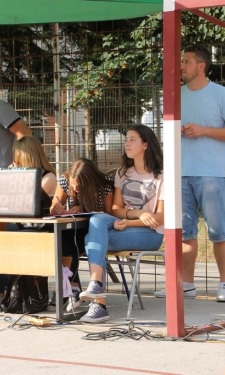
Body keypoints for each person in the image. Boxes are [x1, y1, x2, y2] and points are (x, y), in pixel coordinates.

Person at [155, 45, 225, 302]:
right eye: (181, 61)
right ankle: (186, 284)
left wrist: (204, 130)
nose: (181, 66)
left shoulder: (220, 94)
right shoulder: (175, 96)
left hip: (213, 174)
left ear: (201, 66)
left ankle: (224, 283)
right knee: (185, 232)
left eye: (186, 61)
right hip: (180, 174)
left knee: (219, 233)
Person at [79, 125, 164, 323]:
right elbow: (115, 209)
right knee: (98, 218)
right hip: (128, 223)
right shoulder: (123, 173)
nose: (127, 143)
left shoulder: (161, 176)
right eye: (127, 139)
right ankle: (96, 290)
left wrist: (135, 222)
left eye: (133, 139)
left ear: (145, 145)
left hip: (150, 234)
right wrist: (137, 214)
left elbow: (161, 218)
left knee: (90, 241)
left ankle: (98, 303)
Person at [0, 135, 57, 309]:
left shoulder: (49, 177)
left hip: (41, 230)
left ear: (27, 155)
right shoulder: (21, 174)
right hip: (21, 226)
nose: (14, 160)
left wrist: (15, 176)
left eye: (17, 155)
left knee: (1, 234)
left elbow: (28, 199)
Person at [49, 158, 114, 311]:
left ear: (90, 181)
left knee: (71, 239)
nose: (75, 187)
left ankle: (70, 288)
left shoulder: (105, 185)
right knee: (62, 237)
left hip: (94, 229)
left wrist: (82, 207)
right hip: (72, 227)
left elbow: (109, 214)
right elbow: (53, 205)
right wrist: (55, 208)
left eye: (79, 184)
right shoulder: (64, 181)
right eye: (73, 183)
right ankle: (72, 287)